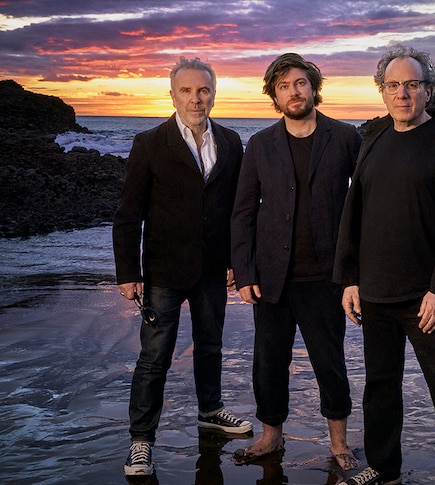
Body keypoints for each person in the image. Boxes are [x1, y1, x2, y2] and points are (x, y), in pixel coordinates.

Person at [333, 44, 435, 485]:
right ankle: (384, 470)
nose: (403, 93)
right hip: (375, 294)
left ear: (429, 91)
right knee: (380, 391)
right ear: (382, 91)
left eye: (412, 84)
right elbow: (354, 212)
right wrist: (350, 279)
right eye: (394, 85)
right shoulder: (375, 136)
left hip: (426, 300)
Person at [113, 57, 251, 477]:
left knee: (211, 346)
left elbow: (235, 210)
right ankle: (141, 441)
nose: (196, 98)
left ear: (214, 93)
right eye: (187, 91)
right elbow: (128, 214)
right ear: (172, 95)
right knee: (155, 357)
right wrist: (127, 272)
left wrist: (235, 261)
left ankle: (211, 410)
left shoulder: (230, 141)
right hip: (162, 271)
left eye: (203, 90)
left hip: (212, 270)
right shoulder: (149, 142)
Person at [229, 53, 362, 471]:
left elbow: (365, 205)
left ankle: (338, 444)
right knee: (268, 361)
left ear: (314, 86)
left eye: (300, 83)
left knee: (330, 362)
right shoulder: (262, 144)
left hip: (327, 277)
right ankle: (271, 437)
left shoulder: (345, 137)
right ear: (274, 94)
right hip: (272, 278)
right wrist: (245, 273)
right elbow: (243, 212)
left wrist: (356, 273)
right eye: (284, 85)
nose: (294, 91)